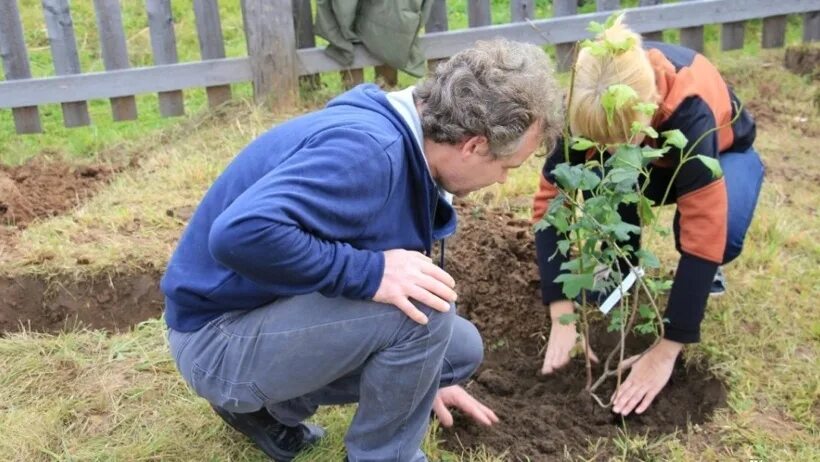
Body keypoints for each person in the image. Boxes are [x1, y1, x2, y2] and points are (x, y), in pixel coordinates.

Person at [162, 38, 562, 462]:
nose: (502, 180)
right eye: (505, 167)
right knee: (423, 315)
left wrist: (421, 378)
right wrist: (370, 273)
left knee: (455, 349)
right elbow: (239, 233)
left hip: (260, 311)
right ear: (475, 145)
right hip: (216, 339)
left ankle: (271, 410)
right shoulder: (371, 154)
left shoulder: (405, 137)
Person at [532, 19, 763, 416]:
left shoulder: (690, 111)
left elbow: (704, 229)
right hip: (650, 163)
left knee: (720, 236)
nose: (607, 150)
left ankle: (706, 275)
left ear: (649, 106)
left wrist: (668, 346)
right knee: (607, 173)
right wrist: (561, 315)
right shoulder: (584, 105)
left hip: (721, 154)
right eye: (596, 143)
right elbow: (550, 208)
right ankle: (621, 269)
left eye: (621, 140)